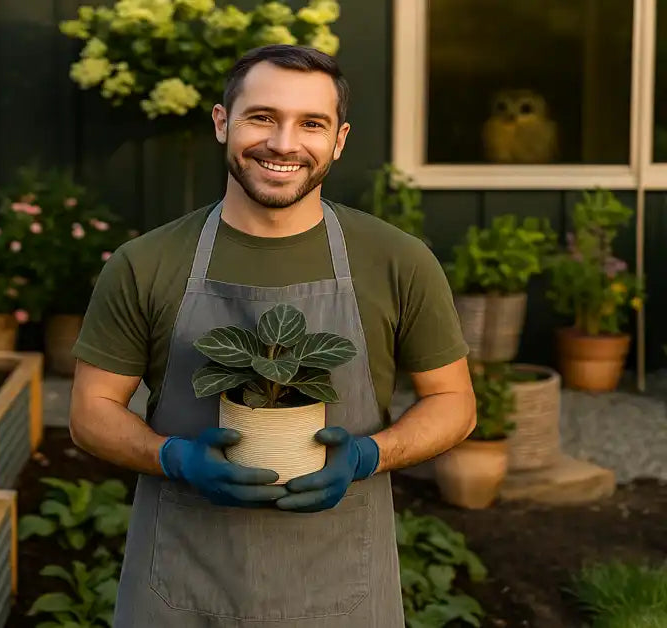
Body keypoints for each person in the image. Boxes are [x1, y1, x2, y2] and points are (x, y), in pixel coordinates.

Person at [68, 44, 477, 626]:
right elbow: (90, 412)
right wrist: (175, 458)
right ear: (222, 123)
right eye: (262, 117)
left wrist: (367, 455)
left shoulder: (397, 261)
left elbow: (454, 403)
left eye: (311, 123)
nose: (283, 144)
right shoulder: (147, 262)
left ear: (338, 140)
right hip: (181, 577)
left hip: (340, 582)